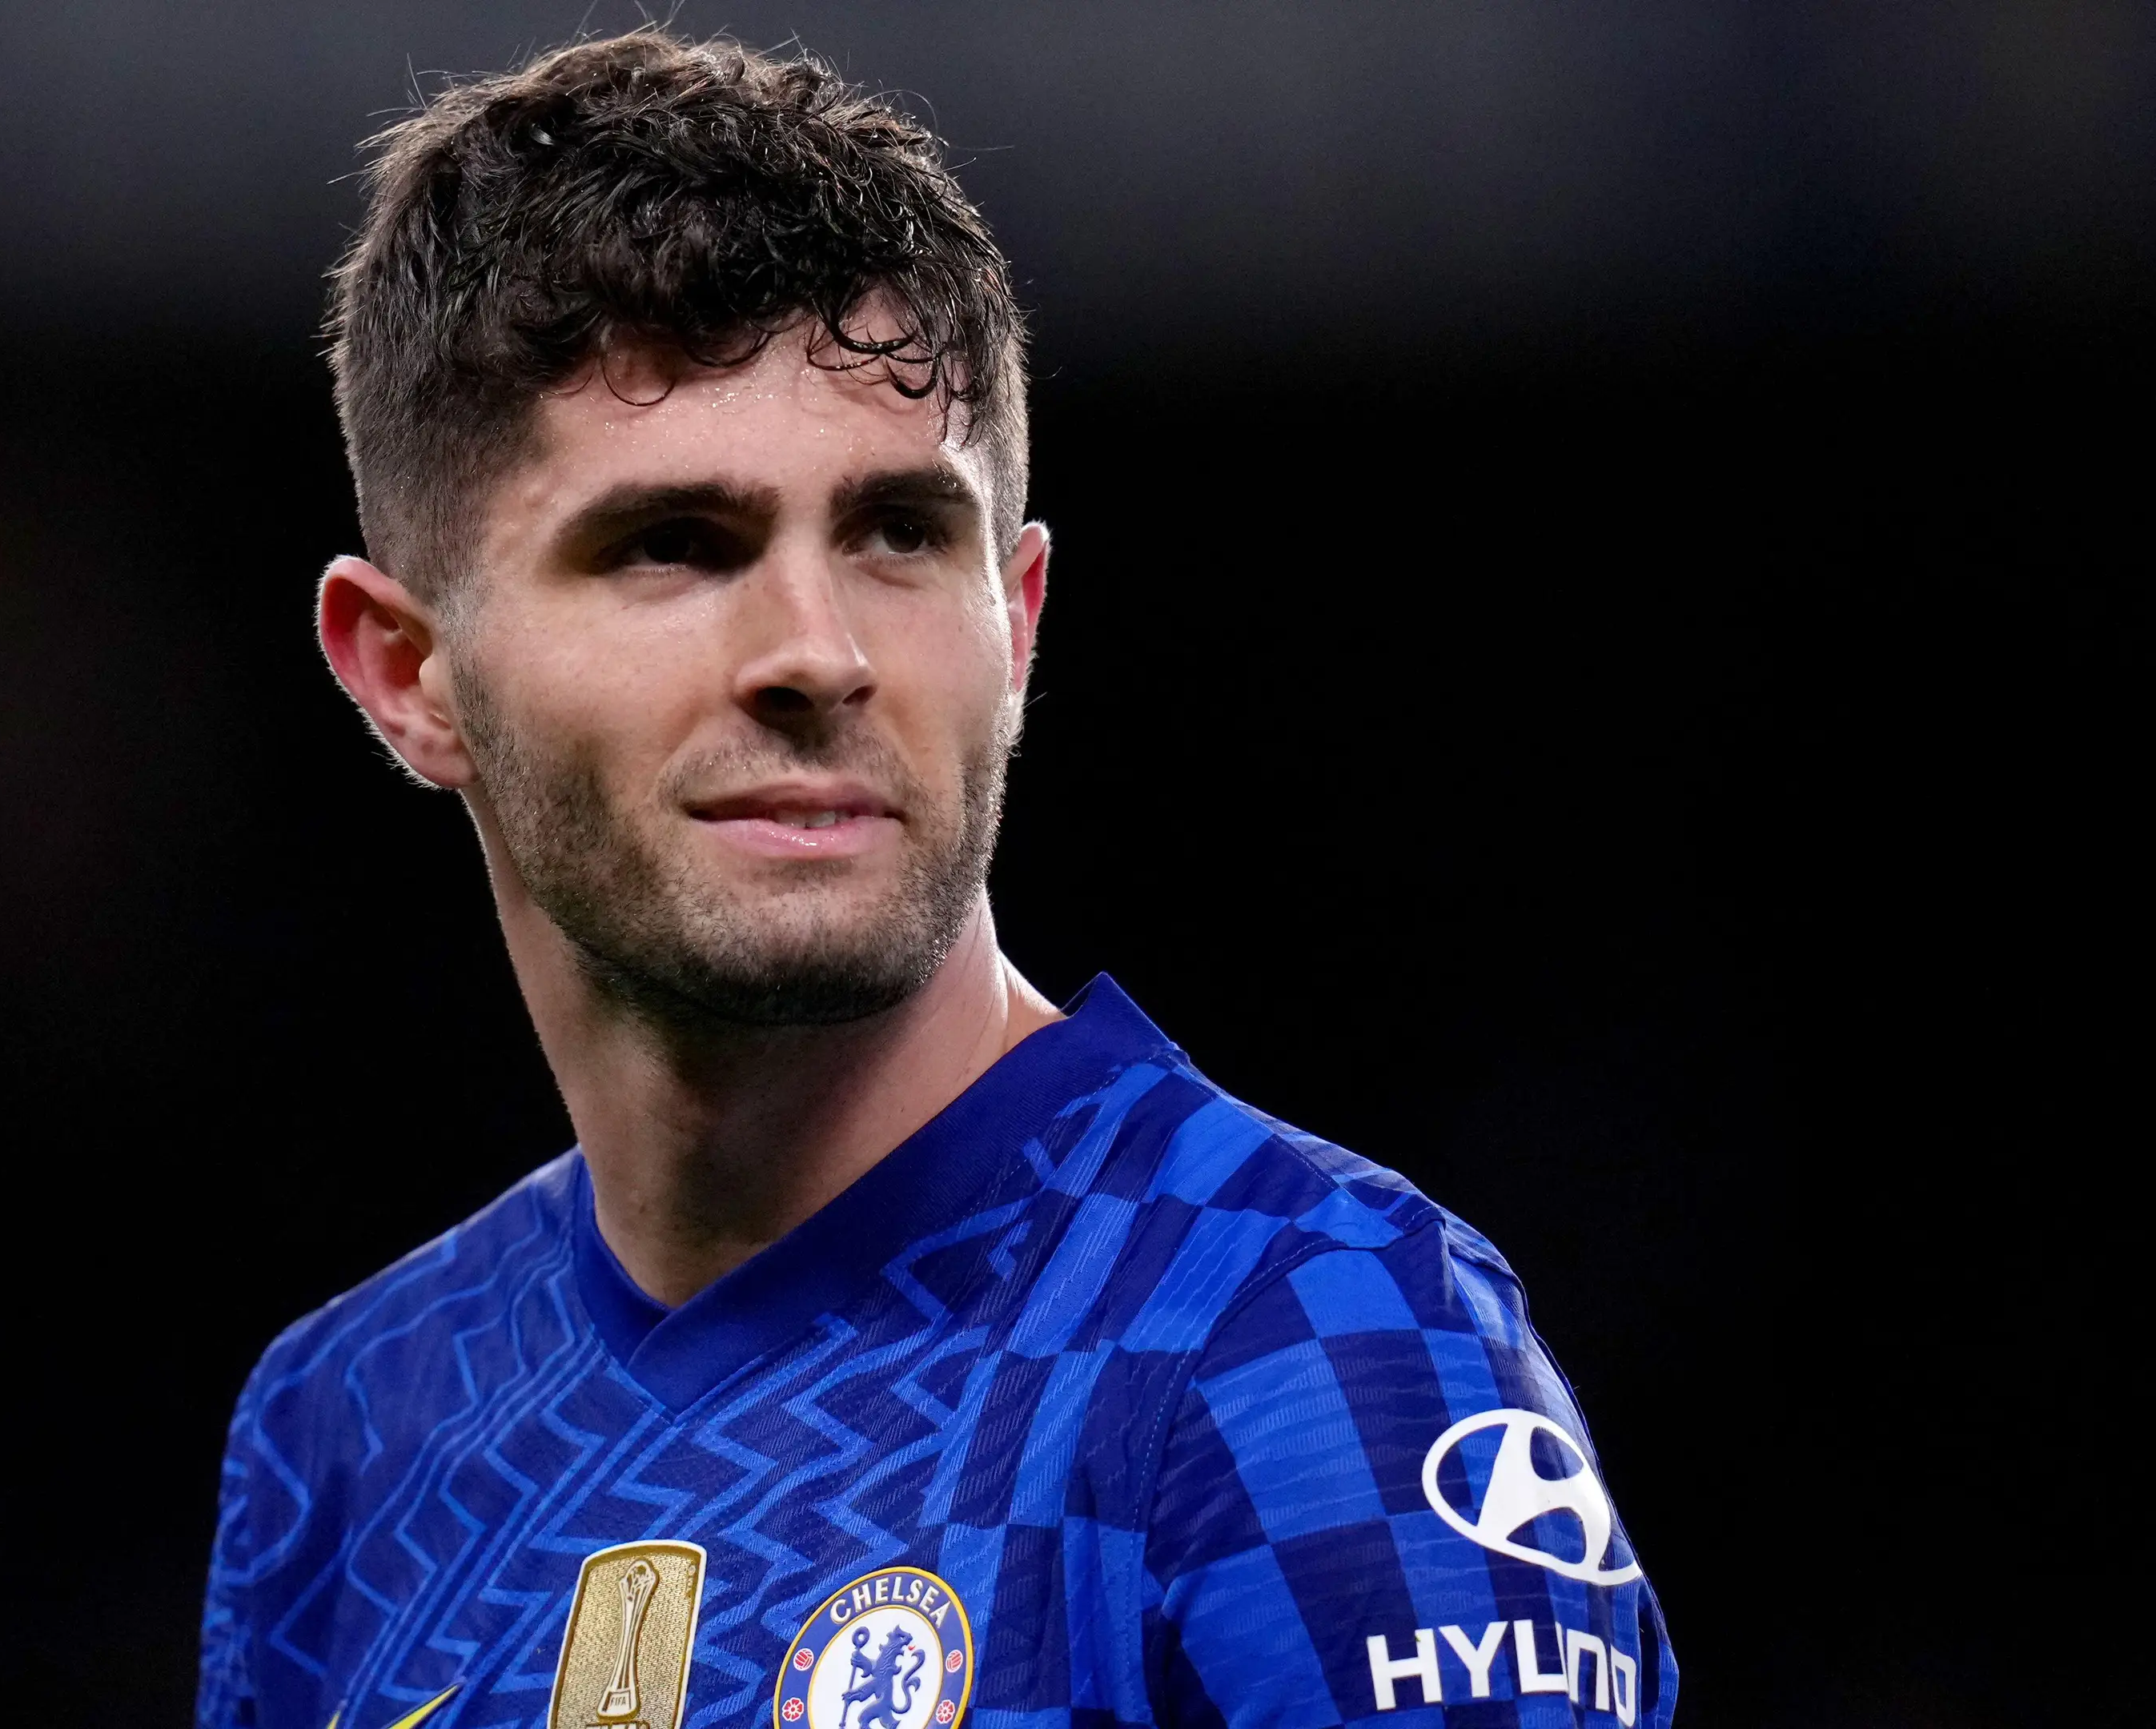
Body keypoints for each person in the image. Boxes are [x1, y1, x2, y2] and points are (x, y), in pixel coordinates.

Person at [201, 30, 1675, 1729]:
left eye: (903, 533)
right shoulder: (347, 1437)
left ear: (1020, 617)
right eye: (674, 545)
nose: (815, 654)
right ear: (405, 672)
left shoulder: (1297, 1334)